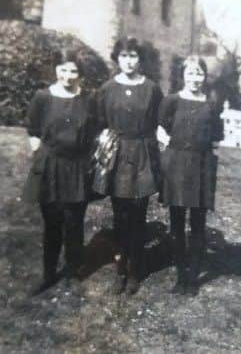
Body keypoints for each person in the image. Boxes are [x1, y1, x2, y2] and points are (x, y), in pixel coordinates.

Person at [23, 48, 97, 295]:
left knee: (74, 222)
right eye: (63, 69)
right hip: (50, 167)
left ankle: (74, 270)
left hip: (77, 167)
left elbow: (97, 129)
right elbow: (32, 129)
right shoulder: (43, 97)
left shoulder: (88, 99)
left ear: (80, 74)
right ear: (56, 70)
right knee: (52, 222)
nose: (67, 75)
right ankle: (49, 274)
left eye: (73, 70)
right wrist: (40, 154)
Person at [97, 37, 163, 295]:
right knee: (120, 215)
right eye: (124, 56)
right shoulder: (107, 88)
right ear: (117, 58)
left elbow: (160, 120)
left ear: (140, 59)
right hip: (117, 154)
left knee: (138, 214)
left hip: (142, 154)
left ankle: (135, 270)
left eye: (133, 56)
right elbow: (100, 121)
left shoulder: (152, 89)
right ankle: (120, 269)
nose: (129, 61)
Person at [158, 55, 223, 296]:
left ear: (204, 77)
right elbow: (160, 127)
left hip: (201, 166)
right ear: (183, 75)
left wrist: (210, 168)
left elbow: (217, 137)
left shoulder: (212, 104)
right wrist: (171, 149)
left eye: (199, 74)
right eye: (190, 73)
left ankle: (193, 278)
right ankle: (180, 276)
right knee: (176, 222)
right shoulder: (172, 101)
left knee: (197, 224)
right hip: (176, 166)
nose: (195, 78)